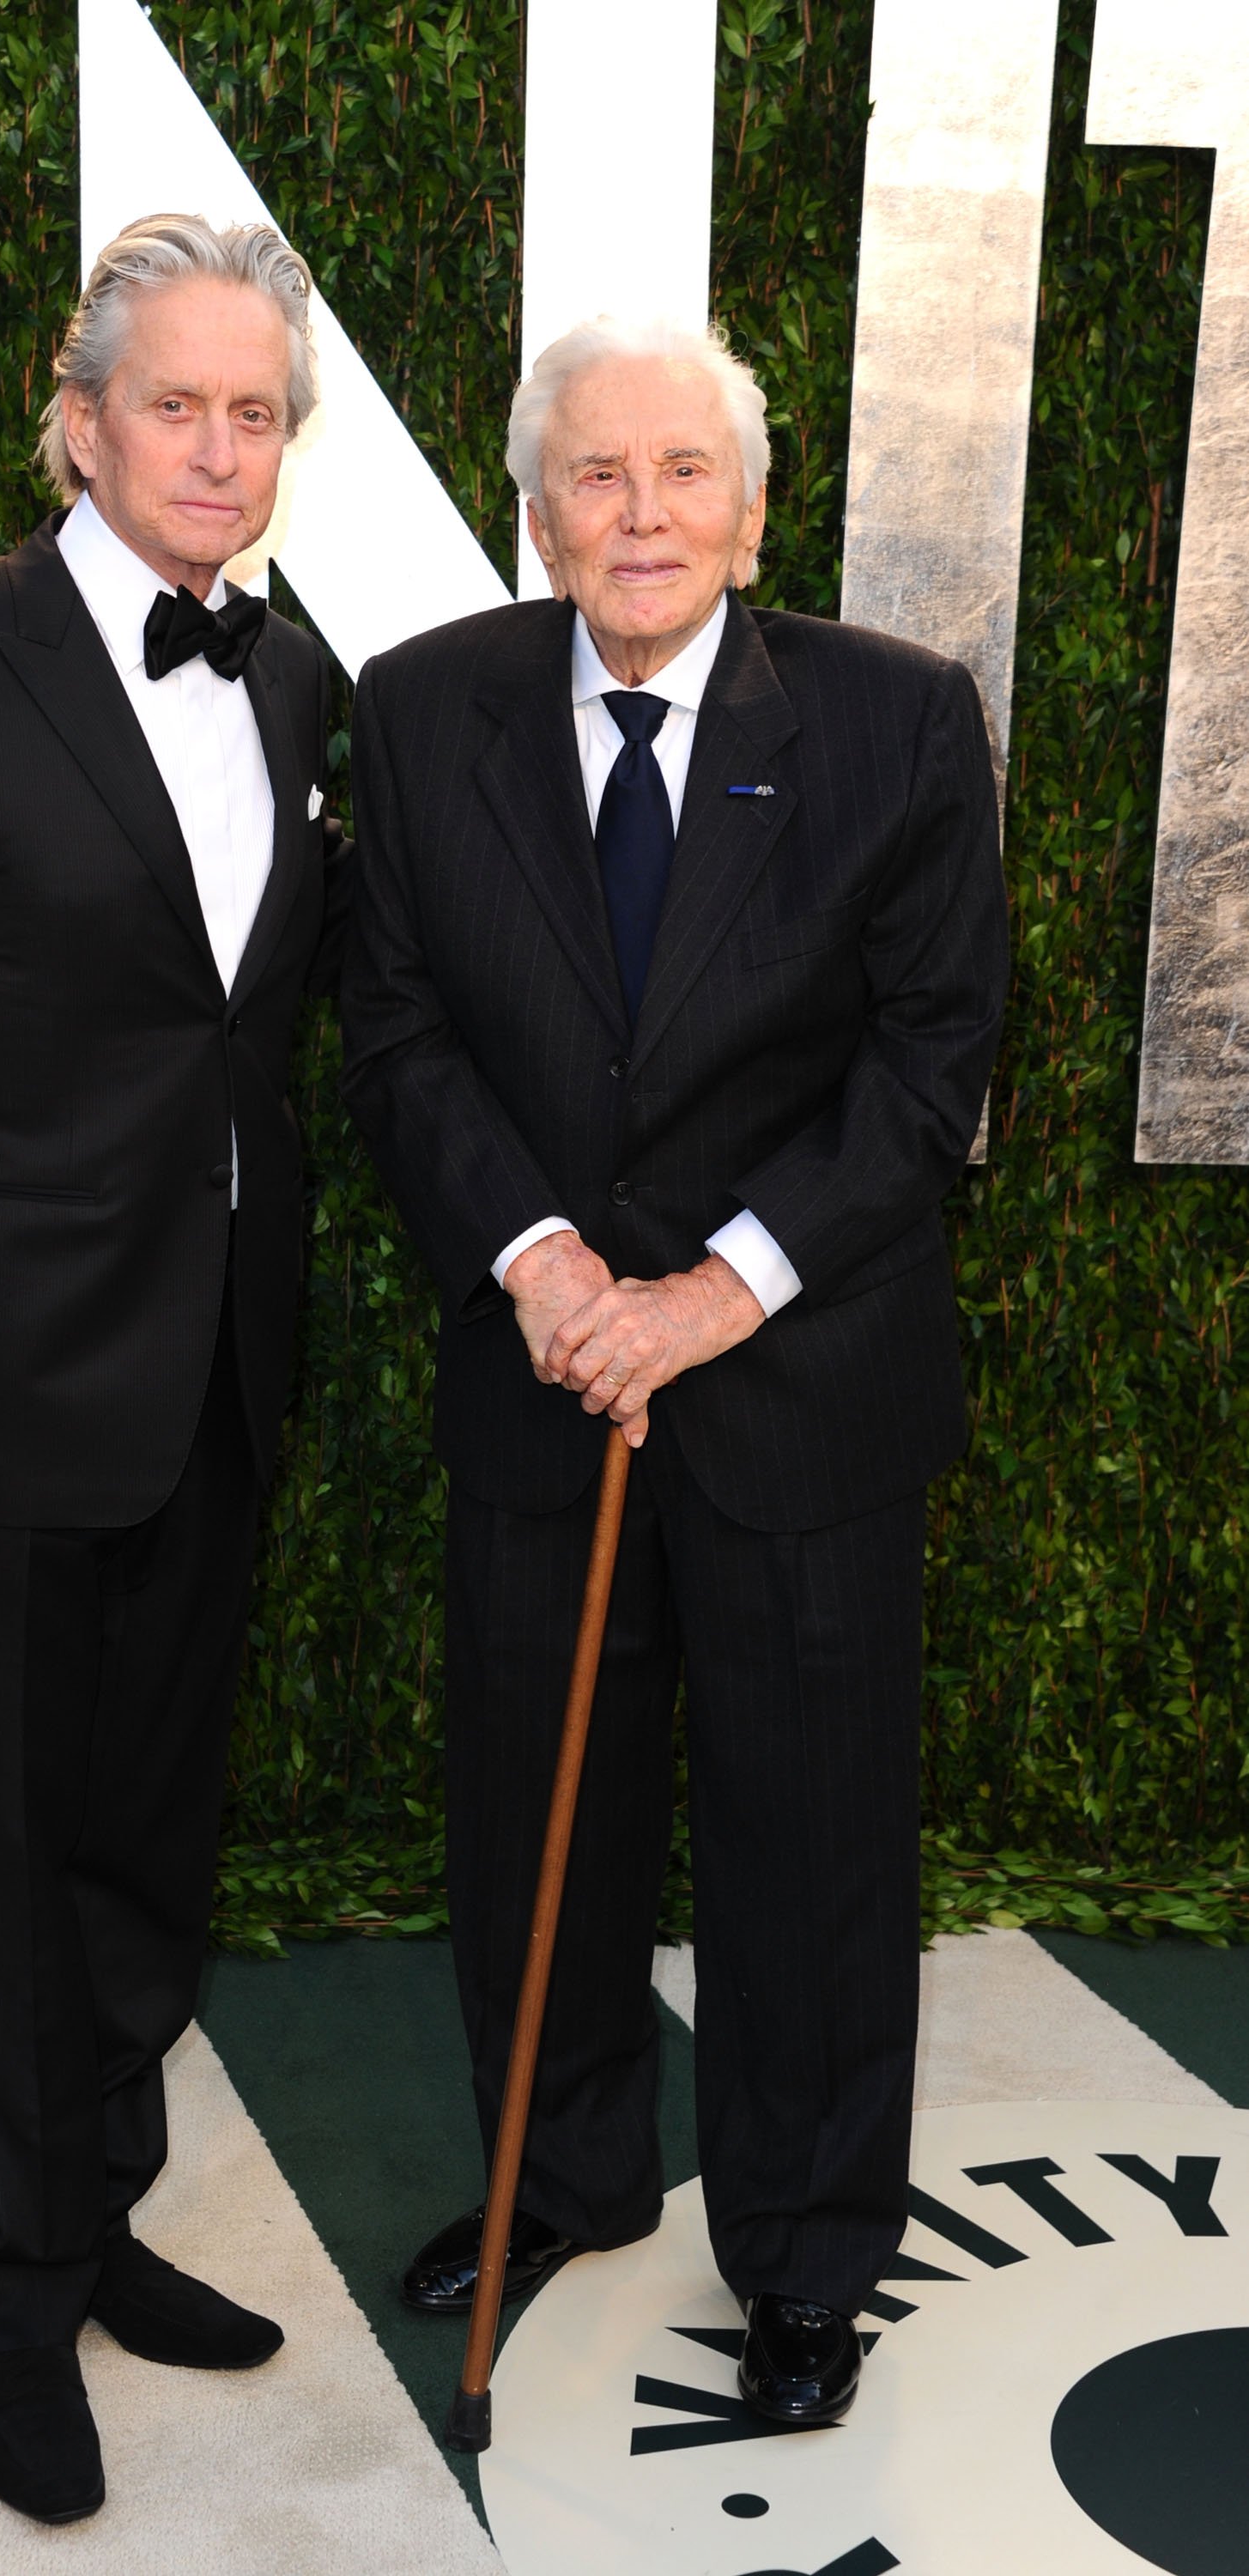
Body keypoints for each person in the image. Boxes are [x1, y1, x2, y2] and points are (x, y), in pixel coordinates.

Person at [341, 316, 1007, 2432]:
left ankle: (809, 2260)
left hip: (796, 1396)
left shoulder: (899, 728)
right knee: (543, 1818)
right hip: (542, 1379)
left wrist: (714, 1291)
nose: (641, 516)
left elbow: (929, 1069)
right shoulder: (423, 708)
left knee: (812, 1849)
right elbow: (399, 1033)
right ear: (537, 508)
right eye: (596, 478)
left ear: (748, 503)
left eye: (682, 474)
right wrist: (541, 1268)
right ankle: (564, 2181)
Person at [0, 214, 348, 2525]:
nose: (220, 449)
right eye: (179, 406)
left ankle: (91, 2215)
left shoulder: (295, 668)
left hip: (215, 1365)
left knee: (141, 1845)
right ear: (83, 414)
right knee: (13, 1864)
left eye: (256, 413)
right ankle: (8, 2298)